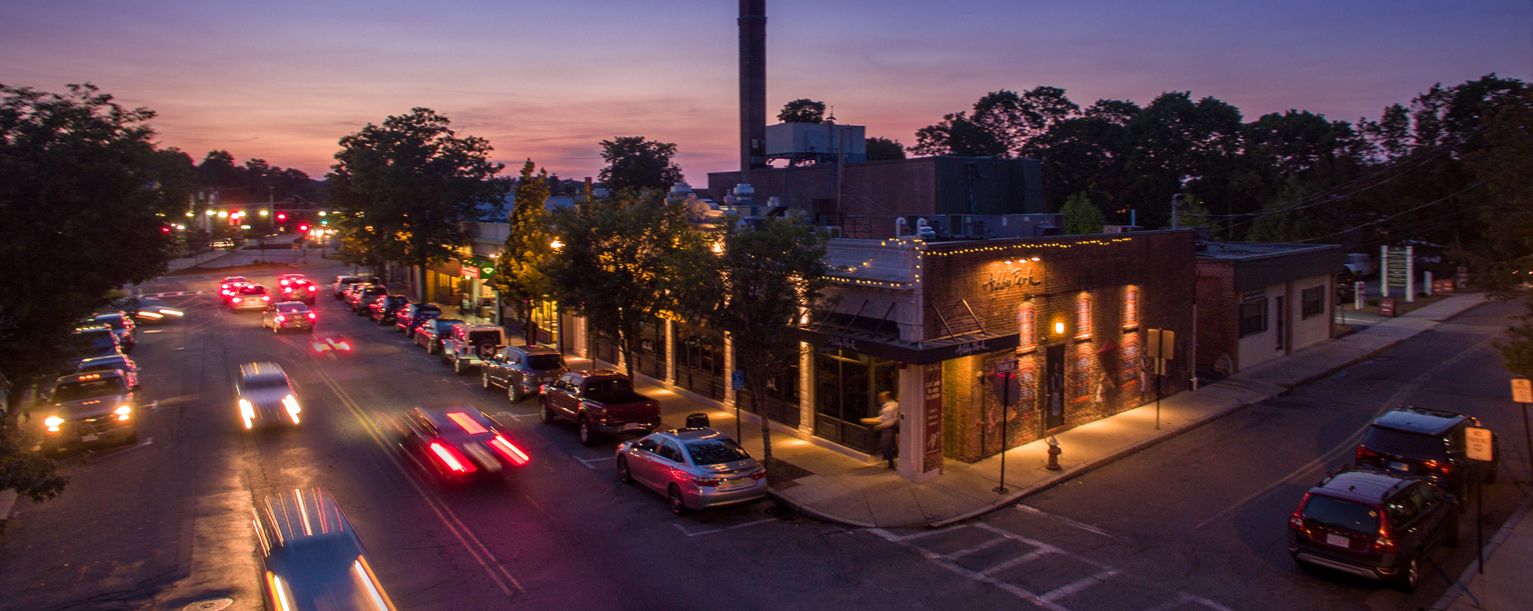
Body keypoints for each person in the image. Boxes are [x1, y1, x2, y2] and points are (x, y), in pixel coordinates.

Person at [861, 391, 900, 469]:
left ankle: (891, 464)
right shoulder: (887, 406)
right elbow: (884, 417)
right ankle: (891, 463)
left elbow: (890, 420)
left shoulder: (891, 407)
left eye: (881, 397)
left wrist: (881, 425)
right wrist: (872, 420)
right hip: (888, 428)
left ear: (887, 397)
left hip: (889, 428)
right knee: (885, 446)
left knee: (886, 446)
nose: (880, 399)